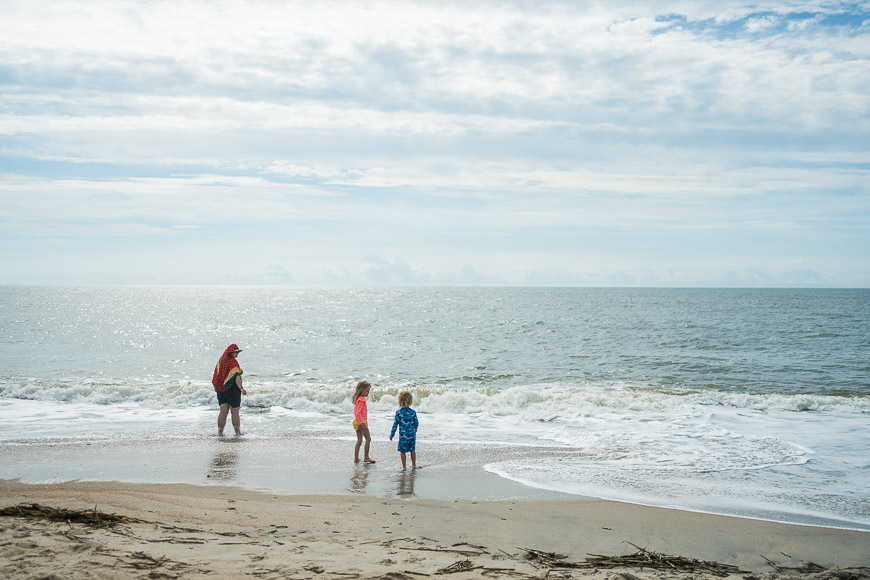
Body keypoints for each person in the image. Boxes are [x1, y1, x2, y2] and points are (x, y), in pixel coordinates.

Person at [212, 343, 247, 436]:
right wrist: (241, 388)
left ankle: (220, 433)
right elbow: (236, 376)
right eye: (236, 352)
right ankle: (238, 433)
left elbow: (216, 375)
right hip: (232, 390)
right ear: (231, 352)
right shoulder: (233, 362)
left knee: (223, 412)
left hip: (220, 389)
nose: (237, 355)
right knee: (235, 411)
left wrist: (216, 387)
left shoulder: (221, 361)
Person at [390, 390, 419, 469]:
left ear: (399, 401)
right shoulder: (413, 412)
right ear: (410, 401)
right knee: (412, 450)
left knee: (403, 451)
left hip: (403, 436)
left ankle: (404, 467)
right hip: (412, 435)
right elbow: (416, 422)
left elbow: (395, 425)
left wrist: (392, 434)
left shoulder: (399, 413)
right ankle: (414, 465)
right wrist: (415, 429)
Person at [352, 380, 375, 463]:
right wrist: (362, 423)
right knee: (368, 439)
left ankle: (356, 458)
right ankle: (366, 457)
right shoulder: (361, 400)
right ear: (361, 390)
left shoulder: (358, 399)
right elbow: (358, 413)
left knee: (359, 440)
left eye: (369, 391)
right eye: (367, 390)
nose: (368, 392)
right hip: (361, 422)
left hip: (357, 422)